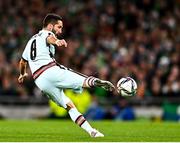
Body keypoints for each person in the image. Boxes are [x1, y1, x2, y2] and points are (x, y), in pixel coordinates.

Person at [18, 13, 115, 137]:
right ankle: (99, 83)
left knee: (69, 105)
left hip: (40, 81)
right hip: (50, 71)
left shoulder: (31, 40)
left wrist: (22, 74)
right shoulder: (46, 33)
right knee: (81, 79)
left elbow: (22, 61)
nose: (60, 30)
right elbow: (49, 38)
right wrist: (57, 41)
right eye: (59, 27)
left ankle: (92, 131)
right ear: (50, 26)